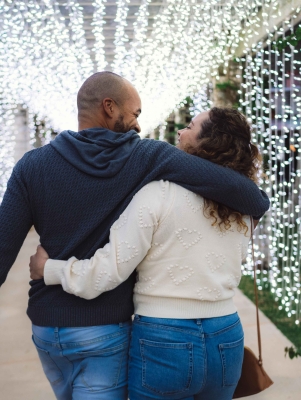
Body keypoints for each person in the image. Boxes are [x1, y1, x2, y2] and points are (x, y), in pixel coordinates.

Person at [0, 70, 269, 400]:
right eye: (136, 113)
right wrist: (255, 201)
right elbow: (247, 198)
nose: (140, 125)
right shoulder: (147, 156)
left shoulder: (31, 165)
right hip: (113, 328)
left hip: (47, 325)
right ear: (110, 107)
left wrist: (49, 270)